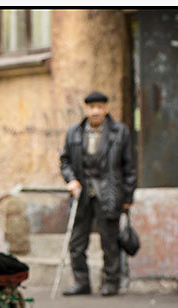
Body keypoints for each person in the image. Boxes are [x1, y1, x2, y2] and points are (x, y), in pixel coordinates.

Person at [59, 91, 137, 296]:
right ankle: (81, 281)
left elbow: (129, 166)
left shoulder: (120, 132)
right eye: (91, 107)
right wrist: (71, 180)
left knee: (109, 240)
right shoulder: (73, 133)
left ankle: (111, 281)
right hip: (82, 194)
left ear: (106, 108)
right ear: (86, 109)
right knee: (77, 242)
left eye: (99, 107)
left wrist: (127, 197)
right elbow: (65, 161)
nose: (95, 112)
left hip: (109, 192)